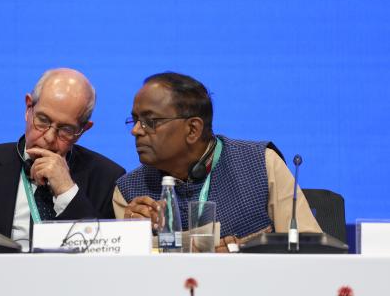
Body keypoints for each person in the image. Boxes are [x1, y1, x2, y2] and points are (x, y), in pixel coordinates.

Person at [114, 72, 321, 251]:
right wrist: (131, 239)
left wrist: (242, 251)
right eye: (135, 120)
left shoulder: (261, 163)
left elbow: (309, 249)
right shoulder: (128, 192)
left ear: (193, 129)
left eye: (150, 121)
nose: (135, 130)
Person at [0, 68, 125, 251]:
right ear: (28, 108)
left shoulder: (107, 177)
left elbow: (101, 254)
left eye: (65, 129)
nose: (49, 137)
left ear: (83, 130)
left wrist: (67, 190)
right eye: (42, 120)